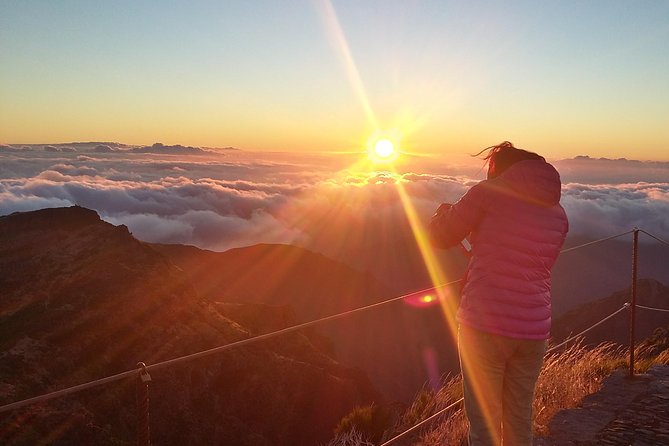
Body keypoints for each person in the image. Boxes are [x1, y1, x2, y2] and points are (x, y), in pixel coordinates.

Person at [429, 141, 568, 446]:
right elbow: (534, 266)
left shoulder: (487, 194)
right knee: (519, 418)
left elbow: (441, 237)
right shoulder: (558, 214)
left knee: (484, 424)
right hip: (533, 331)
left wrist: (441, 216)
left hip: (485, 325)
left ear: (499, 168)